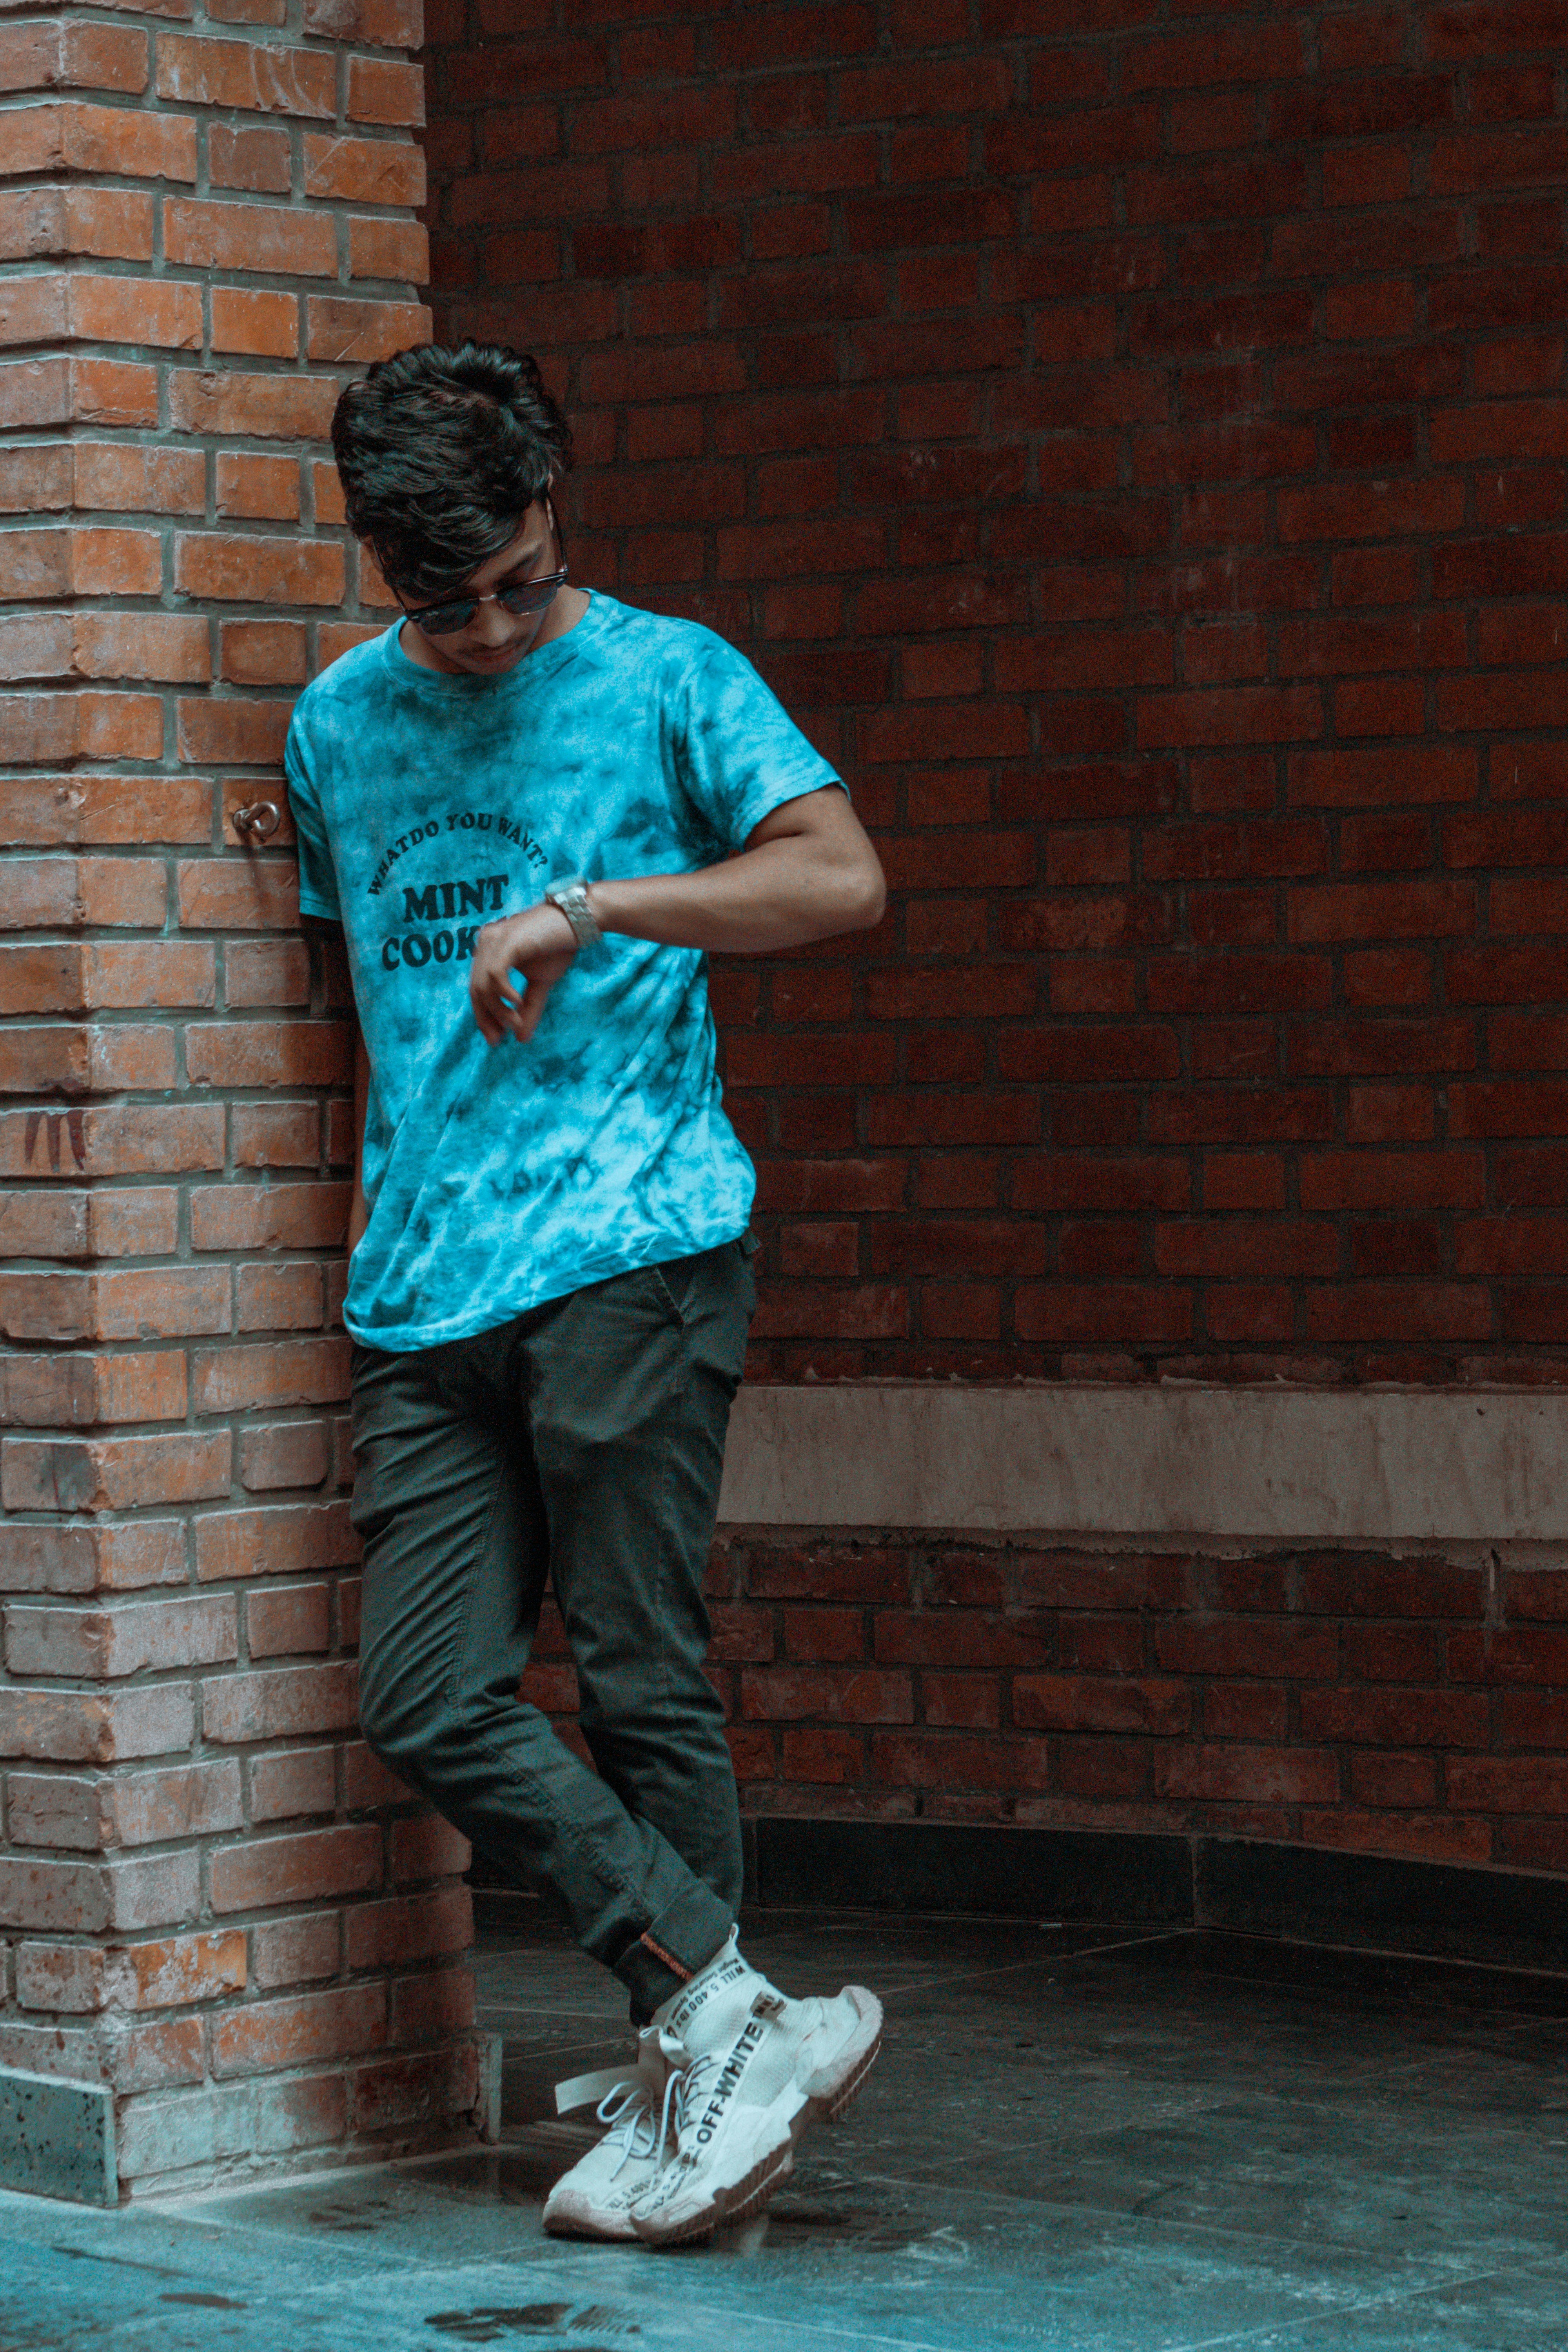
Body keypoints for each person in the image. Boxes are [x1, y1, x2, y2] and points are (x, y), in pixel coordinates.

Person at [283, 341, 888, 2247]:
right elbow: (356, 1004)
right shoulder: (333, 726)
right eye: (439, 599)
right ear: (379, 559)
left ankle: (691, 2079)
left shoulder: (667, 676)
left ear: (554, 509)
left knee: (636, 1676)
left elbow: (840, 880)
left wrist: (604, 902)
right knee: (423, 1693)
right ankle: (730, 2019)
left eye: (516, 585)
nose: (484, 630)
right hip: (422, 1298)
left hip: (638, 1248)